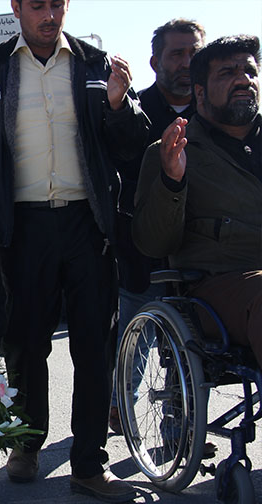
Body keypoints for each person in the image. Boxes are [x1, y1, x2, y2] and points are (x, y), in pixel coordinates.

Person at [0, 0, 149, 503]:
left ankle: (90, 465)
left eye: (57, 3)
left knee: (94, 347)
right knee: (25, 343)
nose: (49, 14)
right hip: (22, 226)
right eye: (37, 4)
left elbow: (133, 146)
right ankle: (27, 443)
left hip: (88, 226)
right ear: (16, 7)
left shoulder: (97, 66)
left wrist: (119, 106)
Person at [133, 34, 262, 371]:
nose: (244, 80)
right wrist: (171, 180)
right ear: (200, 92)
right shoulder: (172, 152)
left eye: (250, 71)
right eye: (228, 73)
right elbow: (153, 243)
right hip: (219, 288)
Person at [109, 19, 206, 434]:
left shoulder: (217, 113)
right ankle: (119, 407)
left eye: (194, 54)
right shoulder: (134, 109)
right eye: (177, 54)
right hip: (142, 254)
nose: (187, 63)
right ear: (155, 62)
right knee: (137, 341)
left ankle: (179, 429)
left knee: (192, 350)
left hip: (201, 253)